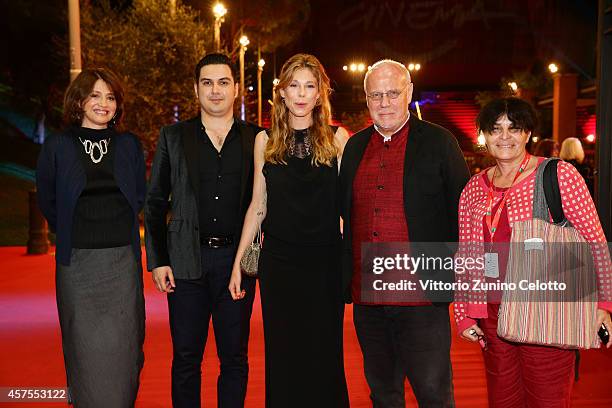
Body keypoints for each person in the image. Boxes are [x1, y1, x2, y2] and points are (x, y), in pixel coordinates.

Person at [454, 97, 612, 407]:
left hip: (546, 308)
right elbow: (467, 255)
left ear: (528, 134)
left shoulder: (558, 176)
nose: (505, 137)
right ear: (484, 135)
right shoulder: (474, 188)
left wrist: (603, 303)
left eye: (514, 129)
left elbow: (595, 241)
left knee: (547, 400)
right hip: (493, 317)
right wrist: (464, 314)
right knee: (503, 401)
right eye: (496, 129)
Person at [339, 59, 470, 407]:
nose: (384, 102)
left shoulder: (441, 143)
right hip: (369, 300)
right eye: (375, 95)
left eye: (392, 93)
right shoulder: (353, 148)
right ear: (366, 100)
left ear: (409, 93)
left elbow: (465, 211)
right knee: (383, 394)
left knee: (433, 394)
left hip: (423, 299)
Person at [229, 53, 350, 407]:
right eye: (294, 85)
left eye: (309, 86)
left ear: (320, 94)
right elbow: (258, 205)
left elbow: (346, 206)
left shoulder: (338, 139)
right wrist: (239, 260)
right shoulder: (264, 141)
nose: (300, 94)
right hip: (279, 265)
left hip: (325, 263)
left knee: (325, 353)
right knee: (283, 355)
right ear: (281, 92)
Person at [145, 53, 259, 408]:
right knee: (186, 359)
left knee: (235, 358)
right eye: (207, 83)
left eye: (223, 82)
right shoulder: (173, 137)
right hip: (184, 262)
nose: (215, 91)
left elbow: (264, 204)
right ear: (196, 89)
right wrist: (158, 260)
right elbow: (154, 203)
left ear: (236, 88)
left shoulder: (257, 139)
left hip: (237, 263)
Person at [36, 68, 146, 407]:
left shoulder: (128, 144)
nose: (103, 103)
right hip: (78, 268)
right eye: (95, 95)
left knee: (126, 351)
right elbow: (48, 200)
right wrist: (74, 231)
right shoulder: (58, 145)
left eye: (110, 97)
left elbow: (138, 196)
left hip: (122, 264)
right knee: (83, 351)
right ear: (79, 100)